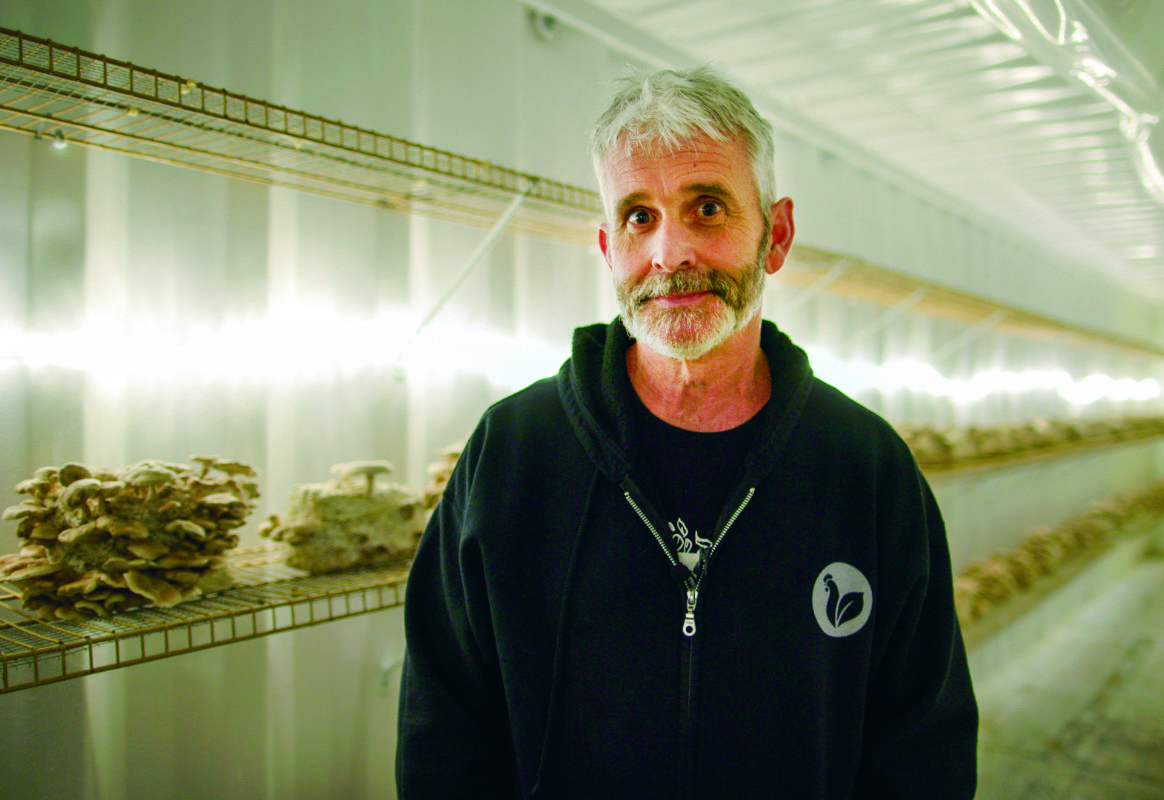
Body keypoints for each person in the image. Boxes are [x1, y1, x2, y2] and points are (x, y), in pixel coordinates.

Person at [396, 67, 978, 799]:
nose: (671, 255)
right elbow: (444, 735)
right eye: (640, 216)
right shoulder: (512, 456)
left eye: (707, 207)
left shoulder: (866, 470)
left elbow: (924, 748)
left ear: (777, 235)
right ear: (608, 247)